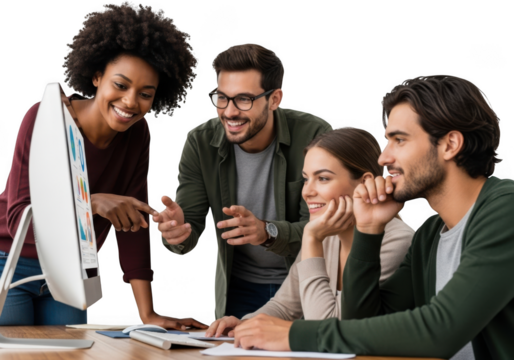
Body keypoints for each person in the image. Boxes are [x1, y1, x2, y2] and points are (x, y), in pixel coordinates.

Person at [232, 75, 514, 359]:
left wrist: (295, 335)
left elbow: (440, 330)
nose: (384, 158)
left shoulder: (506, 211)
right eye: (386, 141)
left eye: (399, 140)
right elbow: (361, 327)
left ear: (450, 144)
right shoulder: (430, 237)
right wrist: (368, 230)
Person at [0, 2, 206, 330]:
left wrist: (148, 316)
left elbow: (132, 227)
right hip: (9, 261)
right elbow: (18, 225)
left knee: (69, 352)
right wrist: (91, 204)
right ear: (97, 76)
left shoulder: (137, 133)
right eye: (121, 85)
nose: (130, 102)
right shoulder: (46, 117)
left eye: (145, 93)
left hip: (70, 271)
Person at [152, 43, 333, 319]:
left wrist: (267, 232)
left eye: (244, 99)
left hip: (308, 281)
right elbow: (188, 228)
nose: (230, 111)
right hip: (241, 289)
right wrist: (177, 232)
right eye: (222, 98)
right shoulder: (201, 142)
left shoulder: (315, 135)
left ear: (274, 99)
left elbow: (323, 230)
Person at [204, 127, 415, 337]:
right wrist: (243, 325)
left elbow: (329, 330)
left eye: (323, 178)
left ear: (365, 182)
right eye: (306, 179)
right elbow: (284, 307)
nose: (307, 191)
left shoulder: (396, 241)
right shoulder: (327, 234)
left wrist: (311, 238)